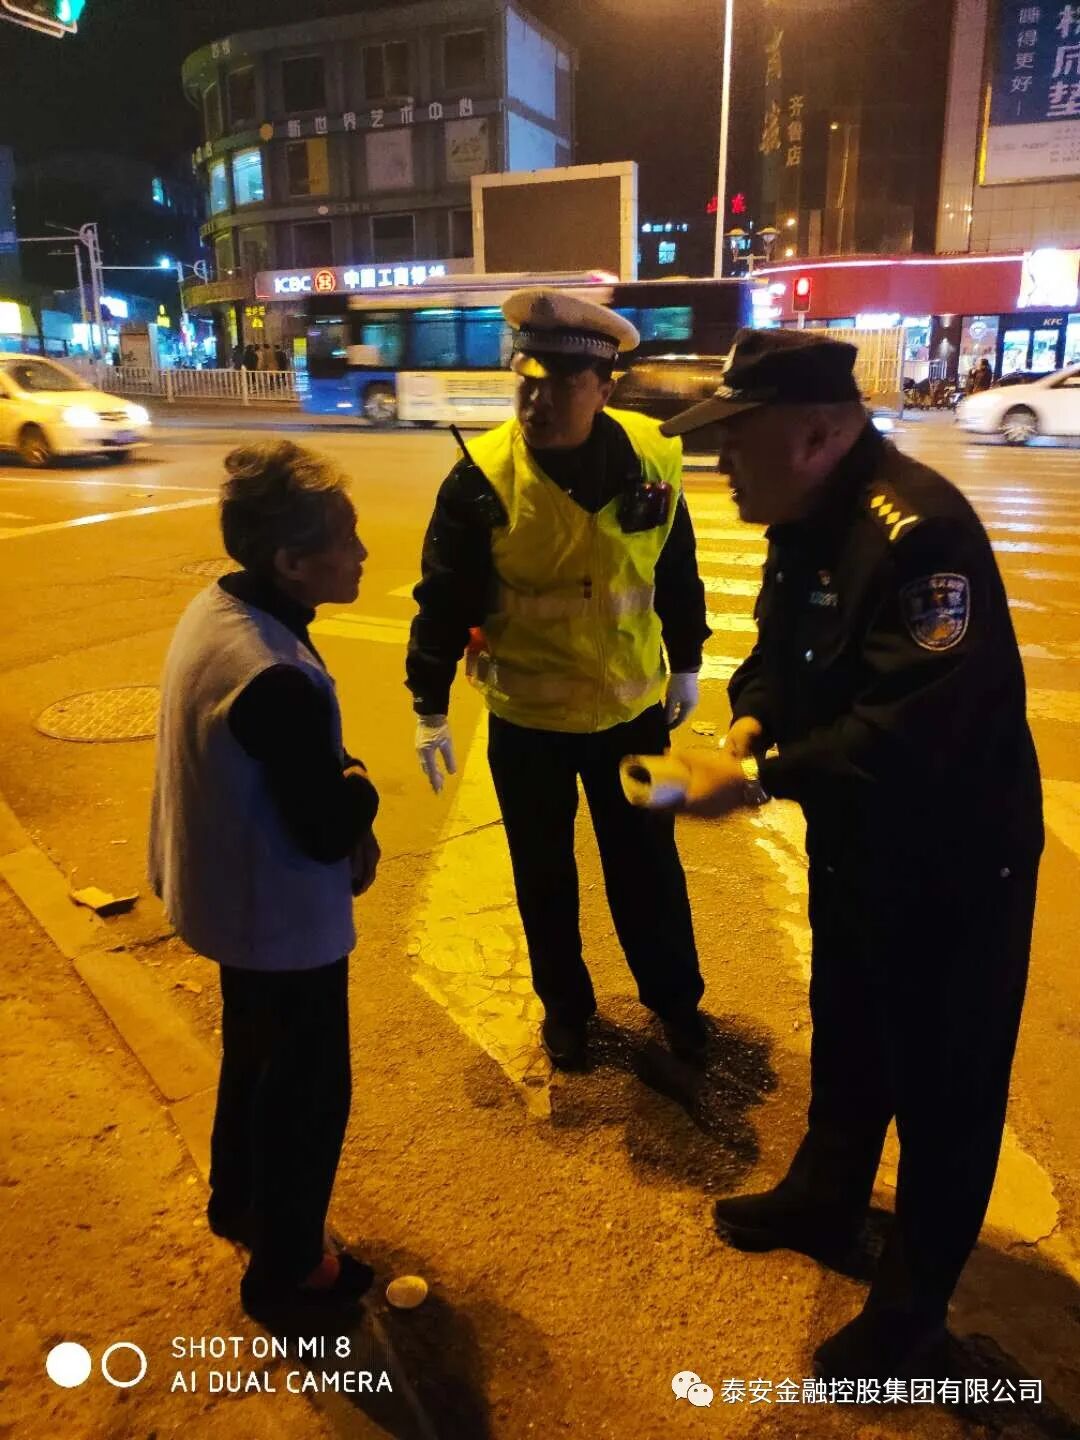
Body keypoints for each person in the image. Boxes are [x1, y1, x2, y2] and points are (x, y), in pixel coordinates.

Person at [657, 329, 1043, 1378]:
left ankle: (913, 1317)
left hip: (953, 864)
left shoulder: (918, 533)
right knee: (853, 1029)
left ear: (820, 433)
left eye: (738, 441)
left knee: (946, 1087)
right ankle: (825, 1199)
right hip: (862, 841)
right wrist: (749, 724)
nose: (720, 464)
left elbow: (909, 731)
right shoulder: (805, 517)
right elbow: (779, 656)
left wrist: (758, 779)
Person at [406, 288, 711, 1070]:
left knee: (651, 870)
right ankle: (566, 1011)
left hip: (635, 712)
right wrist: (428, 702)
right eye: (526, 380)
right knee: (543, 876)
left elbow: (675, 566)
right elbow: (444, 598)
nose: (536, 401)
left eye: (561, 383)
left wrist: (688, 660)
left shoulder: (654, 455)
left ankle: (676, 1002)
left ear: (605, 387)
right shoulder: (481, 478)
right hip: (528, 722)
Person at [149, 440, 380, 1317]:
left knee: (253, 1059)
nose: (362, 553)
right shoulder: (272, 674)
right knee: (307, 1093)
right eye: (346, 540)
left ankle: (238, 1201)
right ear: (290, 561)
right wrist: (359, 783)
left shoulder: (222, 606)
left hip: (228, 901)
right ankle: (288, 1273)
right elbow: (325, 829)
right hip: (280, 921)